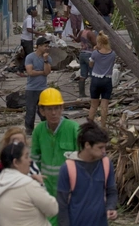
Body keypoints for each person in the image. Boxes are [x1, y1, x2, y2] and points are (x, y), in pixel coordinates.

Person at [31, 88, 80, 226]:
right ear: (42, 111)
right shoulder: (39, 131)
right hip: (47, 188)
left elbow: (83, 160)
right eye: (49, 109)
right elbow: (35, 159)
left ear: (62, 108)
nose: (53, 113)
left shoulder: (73, 129)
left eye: (57, 108)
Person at [57, 122, 118, 226]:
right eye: (100, 147)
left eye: (104, 147)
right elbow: (61, 204)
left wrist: (111, 207)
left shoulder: (106, 164)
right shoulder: (68, 168)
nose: (104, 151)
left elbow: (111, 191)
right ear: (87, 145)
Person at [0, 142, 58, 226]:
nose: (30, 160)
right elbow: (53, 209)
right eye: (26, 156)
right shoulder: (27, 185)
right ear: (16, 162)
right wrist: (41, 184)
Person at [25, 36, 53, 135]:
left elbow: (47, 72)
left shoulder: (48, 58)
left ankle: (46, 128)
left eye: (48, 46)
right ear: (39, 46)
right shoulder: (30, 57)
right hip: (31, 88)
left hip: (43, 88)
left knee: (44, 110)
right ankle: (29, 130)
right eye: (45, 46)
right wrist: (42, 72)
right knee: (30, 110)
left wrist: (45, 60)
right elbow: (30, 72)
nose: (47, 48)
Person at [88, 32, 116, 128]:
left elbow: (90, 64)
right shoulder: (112, 54)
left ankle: (89, 126)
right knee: (104, 106)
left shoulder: (95, 53)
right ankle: (103, 126)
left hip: (96, 79)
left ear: (99, 42)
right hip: (107, 80)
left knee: (93, 105)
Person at [71, 19, 96, 98]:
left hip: (82, 54)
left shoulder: (82, 32)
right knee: (93, 75)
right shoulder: (91, 34)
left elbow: (77, 40)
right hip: (89, 54)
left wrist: (73, 37)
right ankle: (94, 94)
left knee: (83, 75)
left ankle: (81, 93)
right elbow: (95, 44)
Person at [20, 6, 45, 74]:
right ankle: (24, 70)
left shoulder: (32, 19)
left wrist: (36, 34)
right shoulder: (29, 19)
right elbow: (29, 29)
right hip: (26, 40)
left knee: (27, 55)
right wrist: (39, 33)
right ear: (31, 12)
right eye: (35, 10)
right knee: (30, 55)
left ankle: (21, 70)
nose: (36, 11)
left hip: (28, 39)